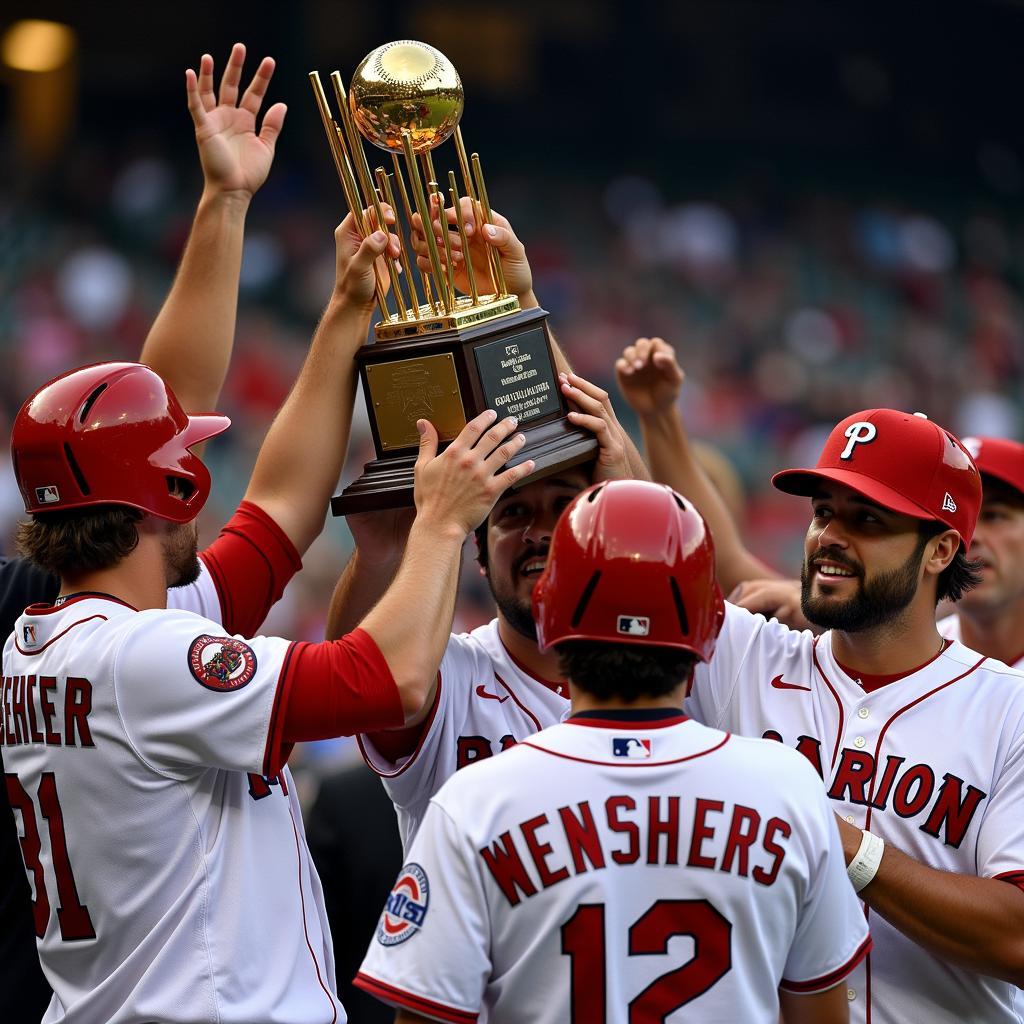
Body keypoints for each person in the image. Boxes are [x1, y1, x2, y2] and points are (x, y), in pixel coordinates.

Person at [1, 123, 540, 1022]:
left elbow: (282, 513)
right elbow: (393, 680)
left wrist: (344, 310)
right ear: (172, 485)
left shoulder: (51, 639)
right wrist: (443, 524)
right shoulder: (142, 658)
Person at [614, 338, 1024, 1023]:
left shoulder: (1007, 709)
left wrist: (843, 842)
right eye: (824, 511)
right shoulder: (749, 654)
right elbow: (644, 515)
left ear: (942, 550)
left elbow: (1016, 936)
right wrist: (521, 308)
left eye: (868, 519)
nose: (830, 535)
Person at [0, 42, 286, 1023]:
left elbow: (160, 419)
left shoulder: (31, 609)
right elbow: (384, 681)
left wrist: (225, 202)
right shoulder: (52, 618)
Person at [353, 480, 869, 1024]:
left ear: (548, 614)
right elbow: (820, 1013)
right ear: (713, 626)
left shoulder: (475, 800)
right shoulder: (787, 786)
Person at [326, 204, 644, 846]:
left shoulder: (670, 668)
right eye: (513, 513)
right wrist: (386, 552)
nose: (540, 530)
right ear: (477, 554)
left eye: (565, 506)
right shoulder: (452, 679)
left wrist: (517, 302)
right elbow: (353, 681)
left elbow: (652, 534)